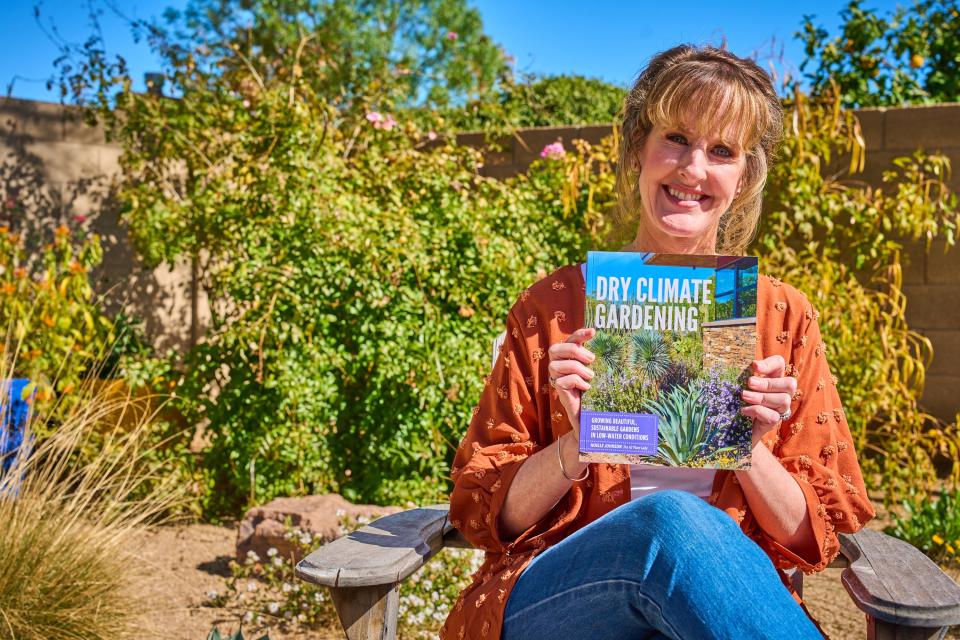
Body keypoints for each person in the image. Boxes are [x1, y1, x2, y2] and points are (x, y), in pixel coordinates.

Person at [441, 44, 876, 640]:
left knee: (684, 531)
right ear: (639, 150)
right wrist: (575, 445)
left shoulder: (781, 317)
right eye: (675, 138)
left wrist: (747, 450)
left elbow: (816, 536)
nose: (693, 169)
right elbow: (481, 512)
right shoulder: (554, 310)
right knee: (670, 521)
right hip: (561, 600)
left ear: (744, 175)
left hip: (705, 612)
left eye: (721, 150)